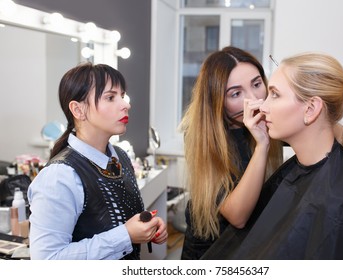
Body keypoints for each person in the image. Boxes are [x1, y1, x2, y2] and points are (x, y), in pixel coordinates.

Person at [202, 52, 343, 259]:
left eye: (274, 94)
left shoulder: (340, 196)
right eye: (236, 93)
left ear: (311, 109)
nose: (259, 104)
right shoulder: (216, 137)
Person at [27, 62, 167, 260]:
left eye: (122, 95)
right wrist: (125, 236)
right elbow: (47, 261)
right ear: (78, 110)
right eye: (110, 97)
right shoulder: (60, 176)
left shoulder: (120, 157)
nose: (126, 104)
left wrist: (145, 226)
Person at [178, 46, 284, 260]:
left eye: (257, 84)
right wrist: (262, 144)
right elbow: (237, 216)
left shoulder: (270, 119)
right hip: (211, 254)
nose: (254, 99)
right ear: (218, 101)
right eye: (236, 93)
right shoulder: (201, 134)